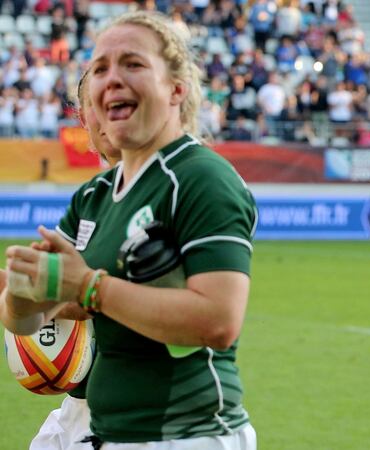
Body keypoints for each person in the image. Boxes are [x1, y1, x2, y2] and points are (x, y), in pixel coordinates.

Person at [4, 11, 257, 449]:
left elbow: (218, 320)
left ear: (177, 88)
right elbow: (32, 316)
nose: (112, 78)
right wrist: (20, 293)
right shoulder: (96, 195)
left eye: (133, 64)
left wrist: (87, 287)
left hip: (187, 436)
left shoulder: (200, 177)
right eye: (100, 68)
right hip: (107, 430)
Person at [0, 69, 121, 450]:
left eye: (117, 103)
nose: (104, 117)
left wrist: (74, 295)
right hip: (81, 406)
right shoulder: (90, 198)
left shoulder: (181, 185)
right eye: (93, 106)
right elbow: (38, 308)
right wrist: (16, 295)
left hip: (139, 411)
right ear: (82, 118)